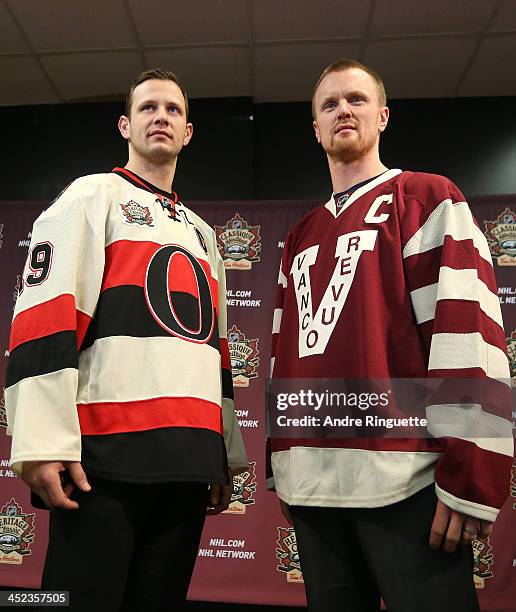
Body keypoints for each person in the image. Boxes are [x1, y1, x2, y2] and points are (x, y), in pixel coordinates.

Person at [268, 59, 512, 612]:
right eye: (328, 104)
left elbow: (465, 331)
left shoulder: (426, 198)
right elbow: (285, 357)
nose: (343, 110)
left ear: (382, 115)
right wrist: (284, 464)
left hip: (409, 483)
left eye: (356, 99)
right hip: (314, 487)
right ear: (315, 129)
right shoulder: (299, 235)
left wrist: (471, 468)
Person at [5, 68, 247, 611]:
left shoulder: (203, 234)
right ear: (125, 125)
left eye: (173, 110)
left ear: (188, 132)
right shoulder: (91, 196)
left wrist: (222, 452)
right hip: (104, 465)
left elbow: (217, 353)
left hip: (187, 464)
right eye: (147, 108)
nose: (160, 117)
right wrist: (43, 443)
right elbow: (45, 320)